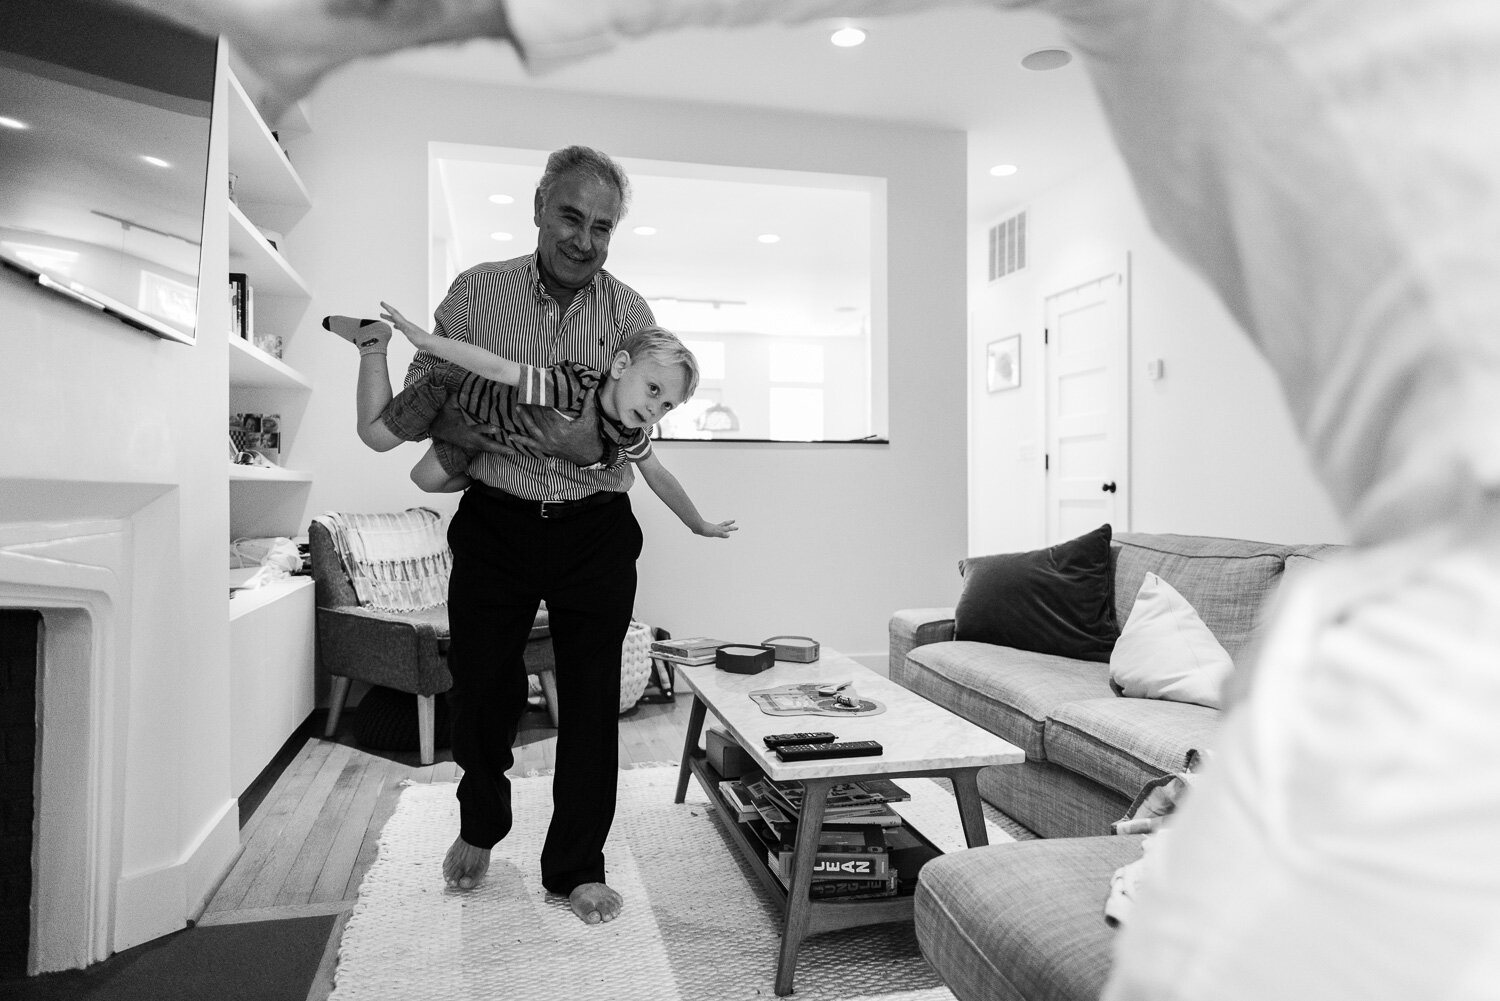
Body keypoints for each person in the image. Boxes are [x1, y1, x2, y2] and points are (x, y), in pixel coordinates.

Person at [111, 0, 1500, 993]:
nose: (590, 243)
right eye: (572, 220)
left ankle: (573, 858)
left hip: (593, 526)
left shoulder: (637, 312)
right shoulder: (473, 294)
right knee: (484, 685)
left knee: (592, 695)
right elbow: (427, 417)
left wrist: (665, 488)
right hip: (490, 519)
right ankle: (480, 815)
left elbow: (645, 436)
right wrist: (425, 401)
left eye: (607, 226)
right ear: (538, 210)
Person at [323, 303, 738, 537]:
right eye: (653, 390)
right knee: (375, 437)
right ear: (620, 365)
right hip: (453, 390)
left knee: (425, 479)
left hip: (480, 432)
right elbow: (503, 370)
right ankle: (372, 340)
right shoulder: (571, 387)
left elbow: (660, 476)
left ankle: (476, 448)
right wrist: (431, 343)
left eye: (667, 406)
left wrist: (697, 523)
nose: (654, 409)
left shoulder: (629, 434)